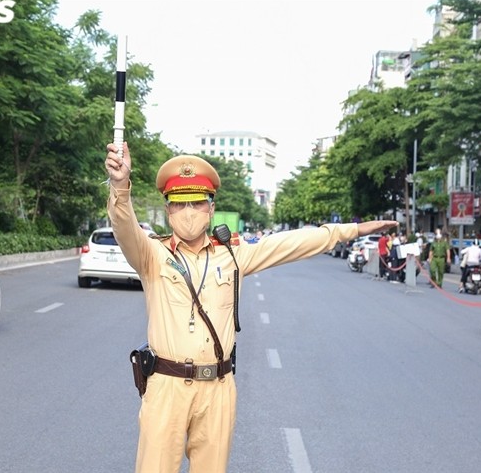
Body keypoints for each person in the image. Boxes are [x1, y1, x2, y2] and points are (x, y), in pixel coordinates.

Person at [105, 143, 397, 473]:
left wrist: (351, 230)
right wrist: (119, 185)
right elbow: (124, 227)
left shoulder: (233, 256)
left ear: (211, 207)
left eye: (198, 202)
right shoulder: (152, 255)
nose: (189, 211)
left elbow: (291, 244)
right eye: (179, 203)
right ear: (167, 209)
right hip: (166, 388)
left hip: (218, 388)